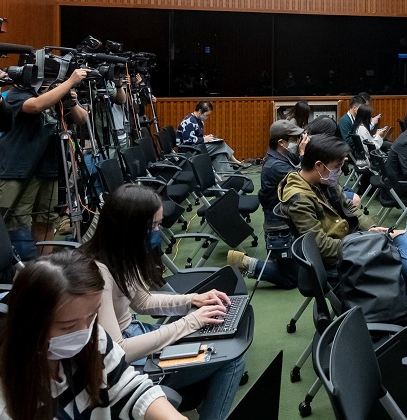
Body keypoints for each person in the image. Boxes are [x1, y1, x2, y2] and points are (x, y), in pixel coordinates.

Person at [277, 134, 407, 333]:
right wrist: (368, 241)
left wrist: (372, 229)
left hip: (348, 244)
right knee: (399, 257)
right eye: (337, 167)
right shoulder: (299, 199)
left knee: (401, 238)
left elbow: (351, 209)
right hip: (334, 261)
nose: (340, 172)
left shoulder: (322, 181)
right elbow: (321, 248)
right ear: (319, 166)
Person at [80, 184, 245, 419]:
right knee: (231, 359)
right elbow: (119, 350)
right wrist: (190, 322)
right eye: (154, 226)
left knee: (218, 344)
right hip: (125, 357)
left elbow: (142, 301)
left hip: (135, 333)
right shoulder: (98, 273)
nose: (158, 231)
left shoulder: (122, 253)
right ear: (128, 228)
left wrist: (192, 300)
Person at [0, 250, 185, 420]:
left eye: (93, 315)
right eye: (68, 326)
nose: (84, 332)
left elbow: (128, 388)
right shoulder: (9, 404)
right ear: (29, 325)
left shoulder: (93, 338)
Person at [0, 67, 89, 259]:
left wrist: (71, 101)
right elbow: (35, 106)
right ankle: (13, 269)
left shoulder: (57, 92)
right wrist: (69, 82)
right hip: (18, 169)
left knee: (46, 219)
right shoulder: (17, 94)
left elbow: (82, 118)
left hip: (49, 168)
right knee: (14, 222)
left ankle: (44, 265)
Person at [226, 120, 301, 289]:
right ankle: (244, 262)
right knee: (292, 281)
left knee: (300, 270)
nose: (297, 142)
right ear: (281, 142)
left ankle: (278, 262)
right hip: (280, 229)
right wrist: (304, 154)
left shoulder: (280, 156)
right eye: (294, 139)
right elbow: (302, 181)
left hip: (282, 223)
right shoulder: (275, 165)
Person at [176, 101, 243, 171]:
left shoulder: (199, 121)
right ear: (200, 111)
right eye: (206, 115)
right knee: (221, 144)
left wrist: (206, 137)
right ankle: (236, 162)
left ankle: (225, 174)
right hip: (189, 151)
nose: (207, 117)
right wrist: (204, 139)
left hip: (196, 147)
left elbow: (196, 136)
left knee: (220, 154)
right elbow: (187, 140)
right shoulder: (189, 121)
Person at [353, 104, 389, 169]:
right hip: (369, 160)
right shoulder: (362, 129)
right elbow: (371, 149)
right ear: (366, 117)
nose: (371, 118)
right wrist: (378, 135)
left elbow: (368, 142)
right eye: (370, 116)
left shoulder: (360, 127)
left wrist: (375, 136)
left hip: (366, 157)